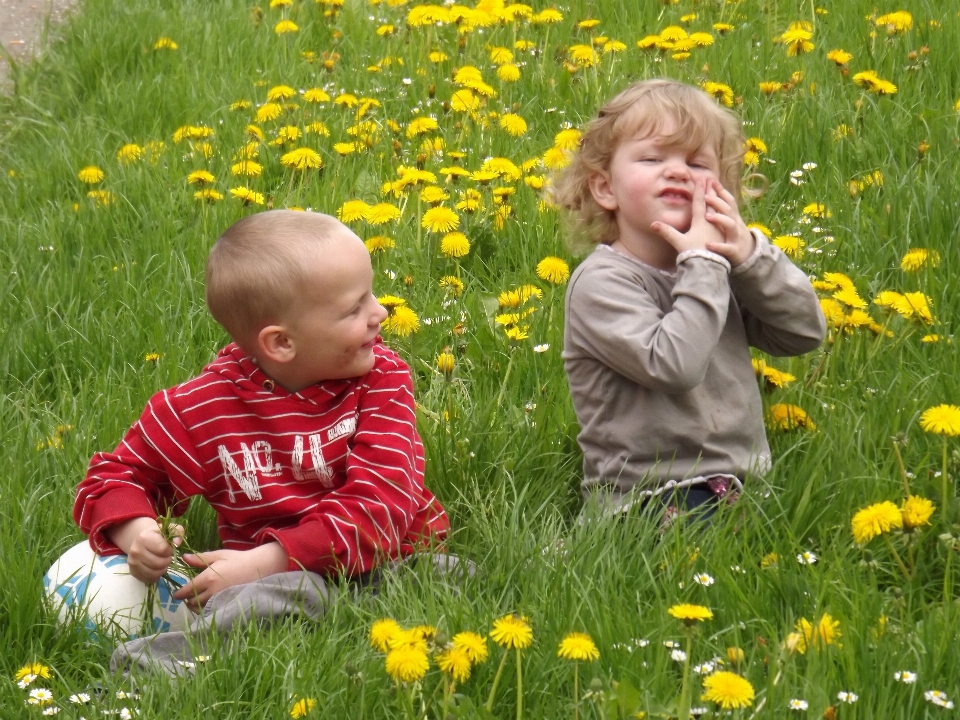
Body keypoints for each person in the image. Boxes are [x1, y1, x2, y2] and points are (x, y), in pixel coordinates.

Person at [71, 210, 450, 617]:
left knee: (447, 577)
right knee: (254, 608)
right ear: (282, 342)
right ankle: (162, 665)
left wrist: (260, 563)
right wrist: (140, 535)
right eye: (354, 309)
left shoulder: (382, 380)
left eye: (370, 295)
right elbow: (112, 479)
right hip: (271, 585)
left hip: (386, 562)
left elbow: (383, 507)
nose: (380, 313)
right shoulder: (204, 408)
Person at [552, 79, 826, 521]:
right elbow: (676, 365)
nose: (678, 171)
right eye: (653, 158)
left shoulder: (718, 269)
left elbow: (803, 332)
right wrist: (703, 263)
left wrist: (751, 258)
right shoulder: (601, 283)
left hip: (740, 486)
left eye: (698, 163)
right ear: (605, 189)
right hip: (646, 497)